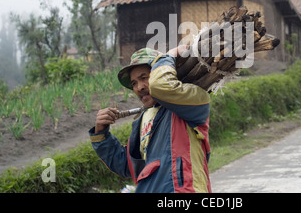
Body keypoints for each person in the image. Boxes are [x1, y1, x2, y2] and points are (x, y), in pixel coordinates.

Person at [89, 46, 212, 193]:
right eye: (134, 83)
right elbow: (125, 165)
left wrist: (170, 55)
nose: (139, 87)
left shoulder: (191, 101)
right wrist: (101, 133)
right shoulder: (143, 120)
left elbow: (161, 86)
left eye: (144, 78)